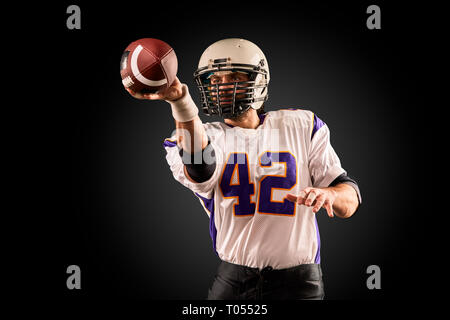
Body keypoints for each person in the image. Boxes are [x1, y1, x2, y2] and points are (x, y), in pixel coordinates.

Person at [125, 38, 362, 300]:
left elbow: (349, 203)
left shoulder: (303, 124)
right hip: (234, 282)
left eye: (233, 76)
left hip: (300, 283)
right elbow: (200, 168)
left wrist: (331, 195)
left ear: (258, 79)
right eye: (214, 80)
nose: (222, 86)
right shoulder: (197, 134)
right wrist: (181, 103)